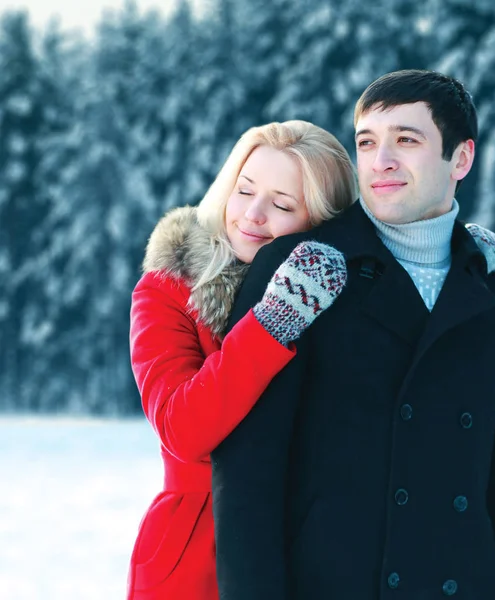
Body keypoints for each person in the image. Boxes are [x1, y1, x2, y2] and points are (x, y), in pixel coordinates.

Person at [211, 70, 495, 600]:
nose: (382, 161)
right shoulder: (302, 270)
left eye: (407, 140)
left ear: (461, 158)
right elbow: (246, 479)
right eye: (368, 142)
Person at [126, 120, 355, 600]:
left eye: (282, 204)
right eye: (244, 190)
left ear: (324, 220)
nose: (252, 214)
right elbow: (182, 428)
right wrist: (273, 323)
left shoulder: (340, 290)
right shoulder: (171, 287)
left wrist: (462, 263)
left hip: (314, 544)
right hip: (195, 554)